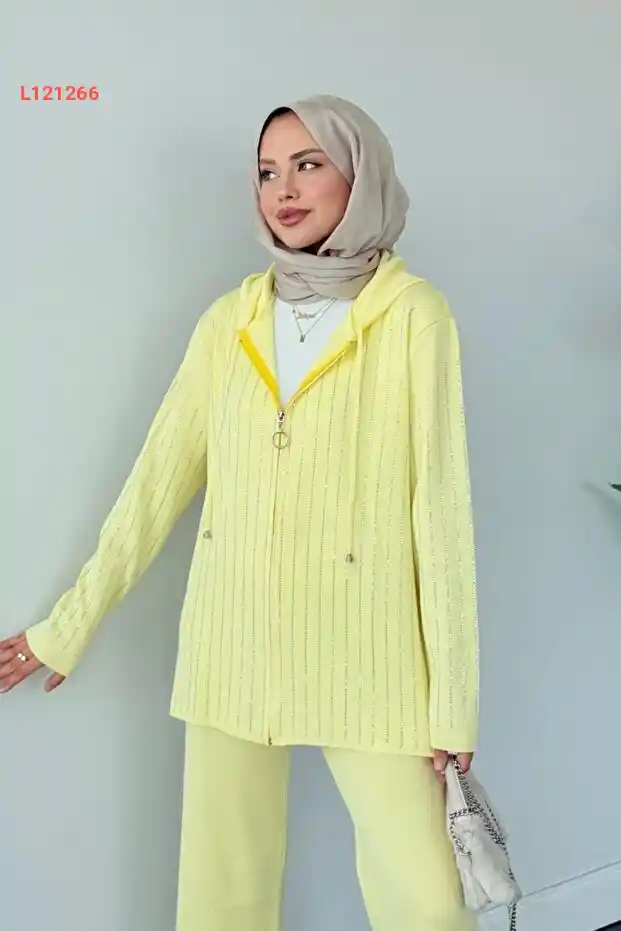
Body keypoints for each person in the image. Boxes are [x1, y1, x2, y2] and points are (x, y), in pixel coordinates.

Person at [0, 95, 480, 931]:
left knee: (428, 903)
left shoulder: (412, 315)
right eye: (266, 171)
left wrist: (453, 700)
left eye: (308, 164)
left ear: (359, 175)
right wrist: (67, 624)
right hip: (231, 640)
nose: (282, 190)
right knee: (221, 900)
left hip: (368, 651)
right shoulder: (229, 321)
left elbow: (440, 514)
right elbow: (155, 483)